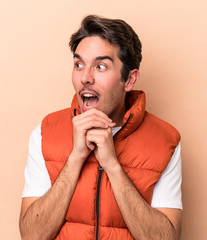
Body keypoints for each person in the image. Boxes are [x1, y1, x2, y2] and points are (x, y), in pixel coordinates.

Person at [19, 15, 182, 240]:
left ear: (130, 80)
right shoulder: (45, 133)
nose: (85, 77)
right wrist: (76, 157)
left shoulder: (165, 141)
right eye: (79, 65)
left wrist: (112, 166)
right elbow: (31, 236)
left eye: (101, 66)